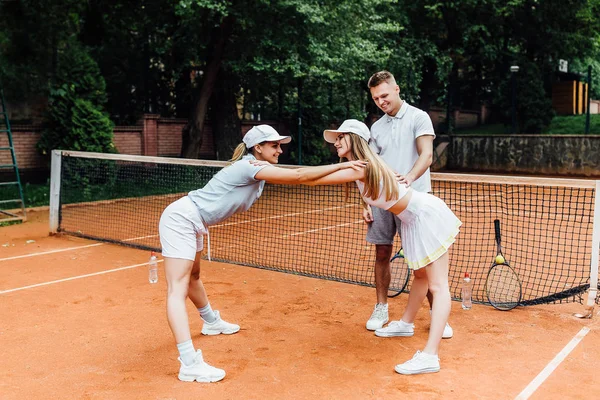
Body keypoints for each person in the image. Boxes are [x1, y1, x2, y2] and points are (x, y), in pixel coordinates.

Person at [158, 124, 366, 383]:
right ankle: (189, 363)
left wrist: (356, 172)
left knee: (194, 276)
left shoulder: (259, 168)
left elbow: (310, 179)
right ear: (258, 148)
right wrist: (342, 166)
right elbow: (301, 176)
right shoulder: (250, 167)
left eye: (280, 145)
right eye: (274, 145)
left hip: (195, 220)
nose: (280, 150)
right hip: (181, 219)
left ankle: (211, 321)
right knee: (177, 288)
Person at [313, 118, 460, 374]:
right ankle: (405, 323)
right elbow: (383, 186)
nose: (335, 143)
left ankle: (430, 356)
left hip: (425, 215)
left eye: (340, 138)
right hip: (413, 219)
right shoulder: (367, 165)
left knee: (438, 285)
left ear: (354, 140)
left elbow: (310, 178)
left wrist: (270, 172)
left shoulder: (360, 167)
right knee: (420, 276)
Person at [365, 70, 453, 339]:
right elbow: (369, 169)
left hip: (413, 202)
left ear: (397, 90)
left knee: (422, 264)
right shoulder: (376, 128)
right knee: (382, 253)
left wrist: (409, 178)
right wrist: (366, 203)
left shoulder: (418, 117)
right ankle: (381, 307)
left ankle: (437, 313)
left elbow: (427, 155)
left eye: (384, 95)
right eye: (376, 98)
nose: (381, 101)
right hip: (382, 201)